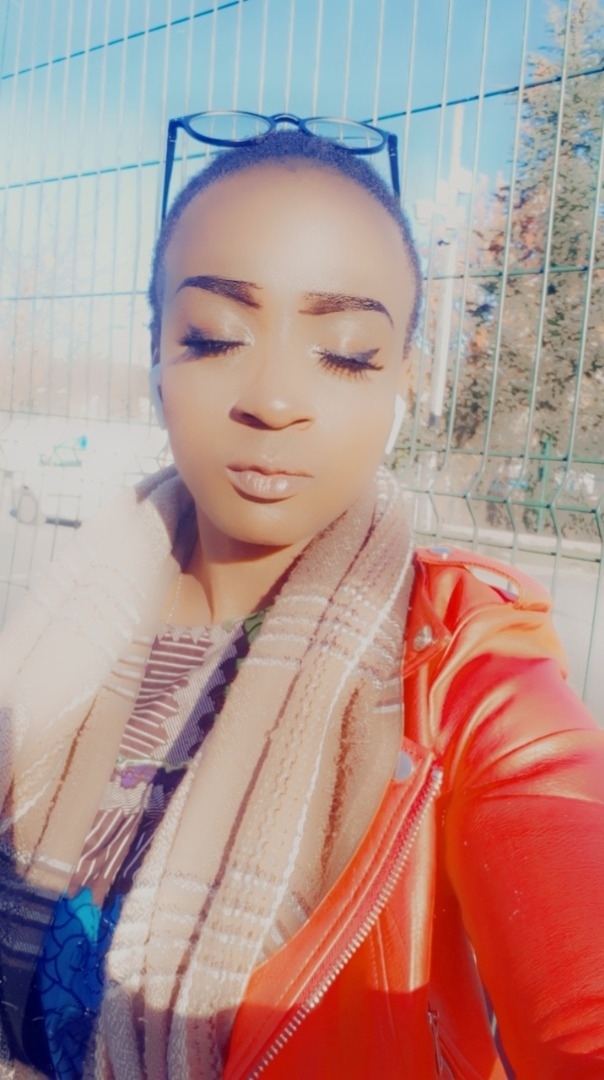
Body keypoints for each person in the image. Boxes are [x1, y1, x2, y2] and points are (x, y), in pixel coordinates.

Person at [0, 124, 603, 1080]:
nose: (276, 400)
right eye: (215, 337)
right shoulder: (57, 629)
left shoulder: (462, 669)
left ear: (404, 379)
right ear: (156, 353)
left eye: (347, 353)